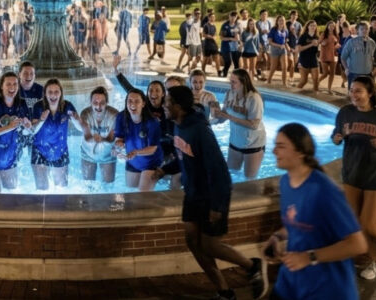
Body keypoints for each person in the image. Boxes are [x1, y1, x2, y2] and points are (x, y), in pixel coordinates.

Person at [157, 86, 265, 300]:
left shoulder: (200, 131)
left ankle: (252, 265)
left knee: (209, 245)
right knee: (192, 241)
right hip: (193, 194)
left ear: (178, 106)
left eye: (168, 102)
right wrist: (164, 170)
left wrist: (217, 207)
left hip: (210, 196)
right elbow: (185, 158)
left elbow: (220, 172)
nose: (164, 105)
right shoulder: (178, 126)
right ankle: (224, 291)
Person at [263, 123, 367, 300]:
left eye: (281, 146)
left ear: (300, 152)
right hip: (292, 282)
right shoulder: (285, 183)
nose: (274, 151)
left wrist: (309, 257)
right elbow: (300, 224)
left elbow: (358, 244)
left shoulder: (324, 191)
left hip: (327, 288)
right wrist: (277, 237)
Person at [331, 76, 376, 279]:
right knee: (356, 222)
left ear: (370, 93)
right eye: (352, 90)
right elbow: (337, 134)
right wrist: (336, 138)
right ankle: (375, 263)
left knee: (369, 223)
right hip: (353, 172)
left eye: (359, 91)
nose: (353, 95)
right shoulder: (345, 112)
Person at [214, 69, 267, 179]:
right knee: (231, 174)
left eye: (234, 82)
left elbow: (254, 125)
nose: (231, 84)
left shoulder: (254, 98)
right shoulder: (229, 94)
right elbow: (224, 115)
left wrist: (230, 117)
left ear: (243, 82)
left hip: (253, 144)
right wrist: (214, 117)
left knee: (250, 179)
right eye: (230, 81)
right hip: (235, 142)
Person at [30, 79, 81, 190]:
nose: (53, 95)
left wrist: (76, 120)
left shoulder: (67, 106)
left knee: (61, 189)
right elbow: (33, 130)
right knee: (42, 189)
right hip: (40, 150)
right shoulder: (38, 106)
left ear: (61, 93)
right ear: (45, 94)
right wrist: (41, 120)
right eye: (50, 92)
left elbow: (80, 128)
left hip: (60, 150)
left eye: (56, 92)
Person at [112, 89, 163, 191]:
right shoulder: (121, 117)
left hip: (151, 163)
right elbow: (119, 139)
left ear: (143, 103)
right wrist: (117, 148)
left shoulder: (152, 122)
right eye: (129, 101)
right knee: (131, 195)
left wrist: (136, 152)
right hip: (132, 161)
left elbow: (153, 148)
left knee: (143, 195)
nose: (132, 104)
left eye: (137, 101)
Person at [79, 86, 119, 184]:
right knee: (88, 187)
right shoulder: (85, 113)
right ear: (90, 103)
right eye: (95, 103)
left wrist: (102, 139)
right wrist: (95, 138)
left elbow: (111, 138)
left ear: (107, 103)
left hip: (108, 154)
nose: (99, 107)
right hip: (87, 153)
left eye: (102, 103)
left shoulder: (114, 115)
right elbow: (87, 137)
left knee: (108, 187)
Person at [340, 22, 376, 90]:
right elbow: (343, 57)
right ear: (357, 30)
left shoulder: (372, 42)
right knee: (353, 94)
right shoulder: (351, 42)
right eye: (362, 29)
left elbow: (372, 58)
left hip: (368, 73)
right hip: (354, 73)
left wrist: (373, 69)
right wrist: (346, 69)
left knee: (366, 94)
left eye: (366, 29)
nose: (364, 30)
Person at [295, 21, 321, 92]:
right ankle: (294, 93)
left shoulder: (317, 37)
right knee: (304, 80)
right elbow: (298, 49)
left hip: (313, 60)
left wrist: (320, 46)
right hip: (304, 60)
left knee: (316, 81)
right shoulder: (303, 36)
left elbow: (318, 49)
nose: (313, 27)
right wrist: (311, 44)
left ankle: (315, 97)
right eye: (311, 25)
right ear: (307, 27)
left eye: (314, 26)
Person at [266, 15, 289, 86]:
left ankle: (284, 83)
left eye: (283, 20)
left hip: (283, 49)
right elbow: (270, 42)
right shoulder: (273, 29)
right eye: (280, 20)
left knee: (285, 66)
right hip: (274, 49)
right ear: (277, 21)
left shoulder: (285, 30)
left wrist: (288, 47)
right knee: (273, 66)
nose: (281, 22)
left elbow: (285, 41)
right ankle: (269, 80)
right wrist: (279, 46)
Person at [318, 22, 340, 94]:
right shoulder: (324, 34)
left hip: (333, 56)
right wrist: (322, 43)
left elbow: (338, 44)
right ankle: (316, 83)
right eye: (330, 26)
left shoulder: (336, 35)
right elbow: (318, 42)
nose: (331, 27)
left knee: (332, 73)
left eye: (333, 26)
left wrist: (337, 46)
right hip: (324, 55)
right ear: (327, 27)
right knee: (325, 73)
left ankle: (329, 89)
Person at [219, 11, 242, 77]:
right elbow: (221, 37)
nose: (233, 18)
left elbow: (240, 35)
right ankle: (224, 73)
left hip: (235, 47)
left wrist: (239, 41)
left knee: (236, 63)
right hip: (226, 46)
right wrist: (231, 39)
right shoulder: (225, 25)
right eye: (231, 17)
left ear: (236, 17)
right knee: (228, 62)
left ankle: (237, 77)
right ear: (229, 17)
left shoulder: (238, 25)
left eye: (234, 17)